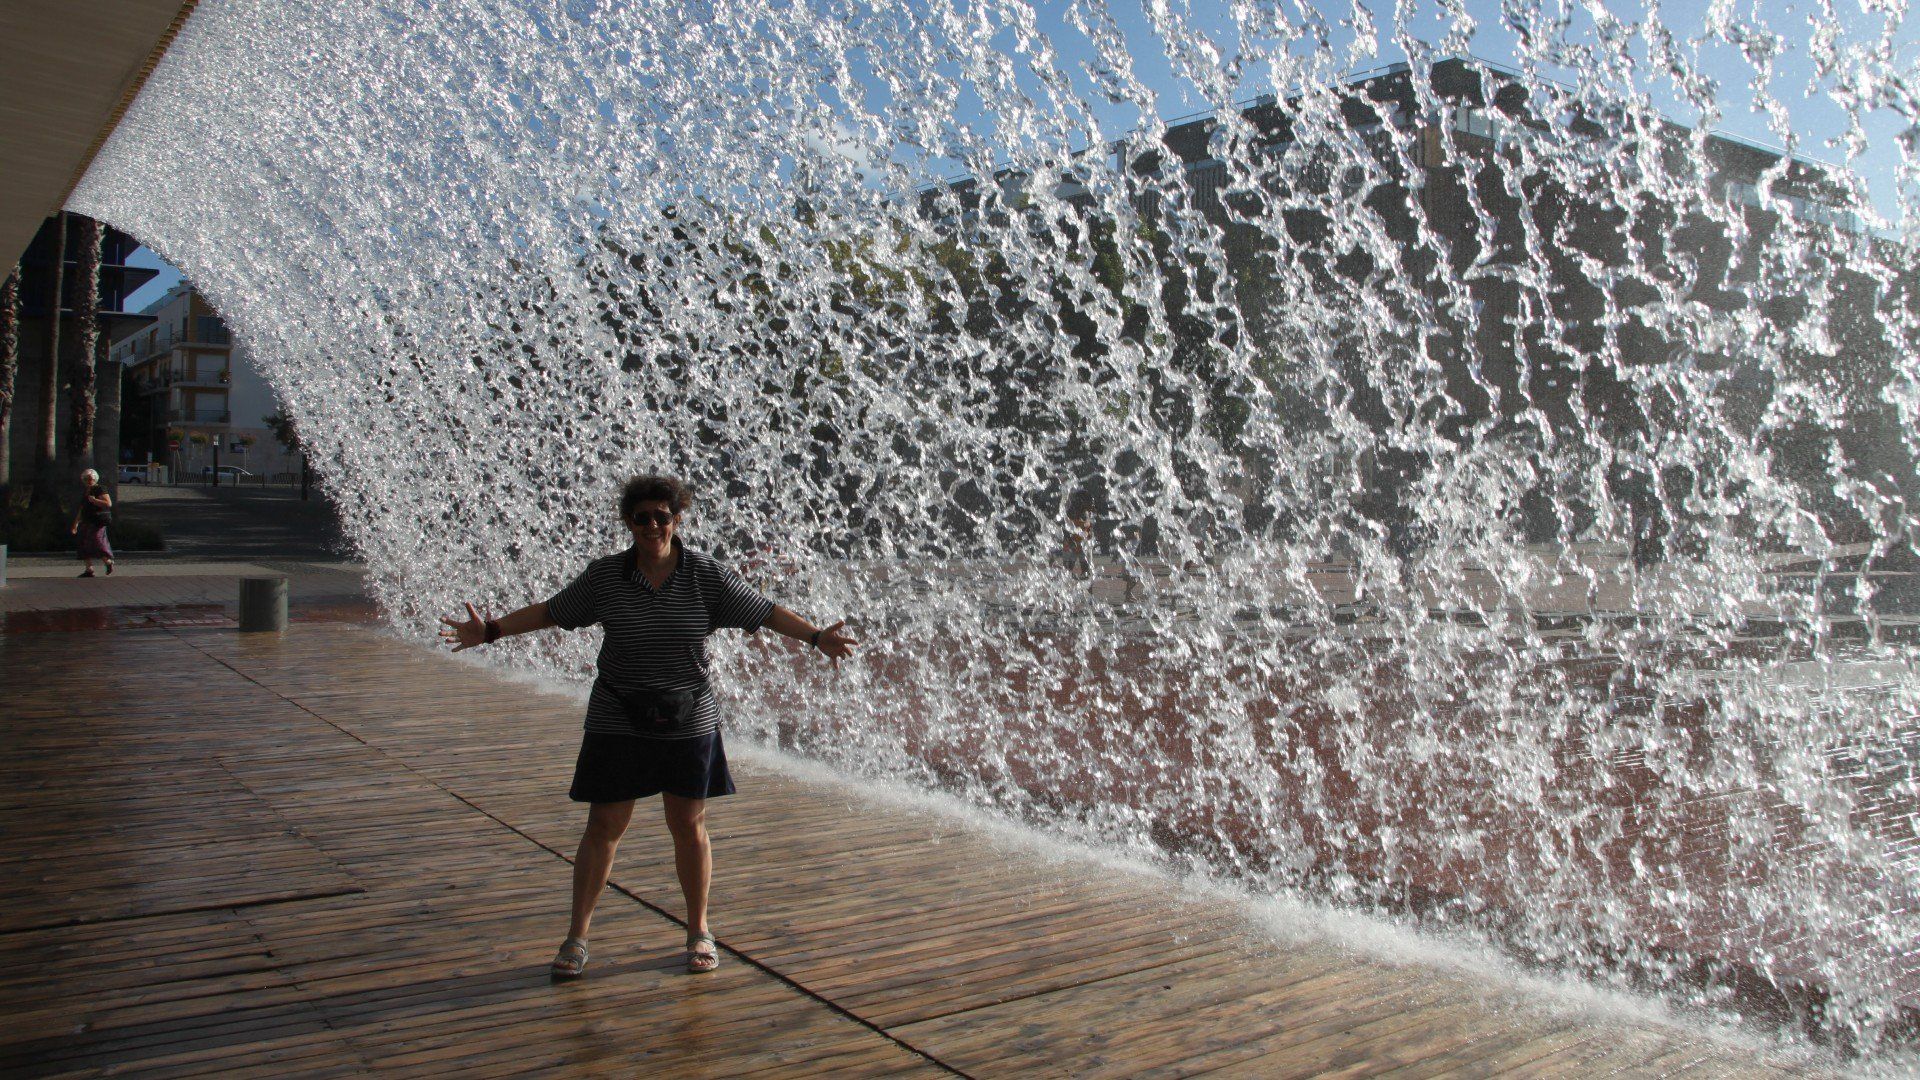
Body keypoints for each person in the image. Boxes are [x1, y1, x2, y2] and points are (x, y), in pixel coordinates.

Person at [438, 474, 857, 979]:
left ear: (677, 519)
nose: (652, 525)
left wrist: (815, 636)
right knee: (603, 826)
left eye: (662, 516)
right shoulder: (605, 577)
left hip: (689, 717)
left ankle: (699, 931)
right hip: (618, 716)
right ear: (628, 522)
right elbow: (552, 612)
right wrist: (491, 631)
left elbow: (765, 612)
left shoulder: (705, 575)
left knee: (688, 825)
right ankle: (576, 938)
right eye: (642, 517)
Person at [69, 468, 114, 577]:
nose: (89, 481)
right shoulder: (86, 491)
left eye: (91, 479)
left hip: (97, 521)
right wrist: (75, 523)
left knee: (96, 542)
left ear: (95, 479)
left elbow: (108, 503)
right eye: (87, 479)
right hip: (86, 520)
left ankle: (108, 562)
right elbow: (82, 509)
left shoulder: (100, 488)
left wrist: (94, 500)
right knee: (83, 543)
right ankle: (89, 569)